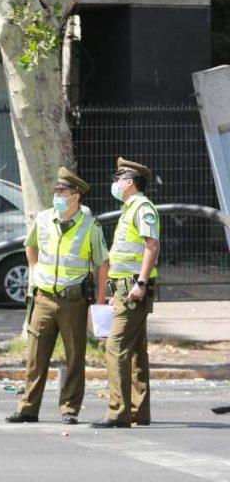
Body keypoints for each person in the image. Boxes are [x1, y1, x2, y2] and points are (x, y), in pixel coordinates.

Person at [6, 167, 109, 425]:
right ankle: (28, 409)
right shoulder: (43, 219)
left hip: (73, 300)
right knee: (35, 356)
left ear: (76, 196)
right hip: (43, 298)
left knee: (75, 356)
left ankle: (69, 409)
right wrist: (34, 271)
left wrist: (99, 302)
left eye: (62, 191)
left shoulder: (90, 226)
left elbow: (102, 264)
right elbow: (30, 245)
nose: (57, 195)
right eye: (56, 190)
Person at [92, 158, 160, 428]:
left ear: (129, 182)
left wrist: (140, 283)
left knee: (116, 346)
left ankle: (118, 412)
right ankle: (138, 412)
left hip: (133, 289)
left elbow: (152, 246)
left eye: (118, 178)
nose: (115, 183)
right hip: (125, 289)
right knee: (136, 351)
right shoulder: (129, 209)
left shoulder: (142, 208)